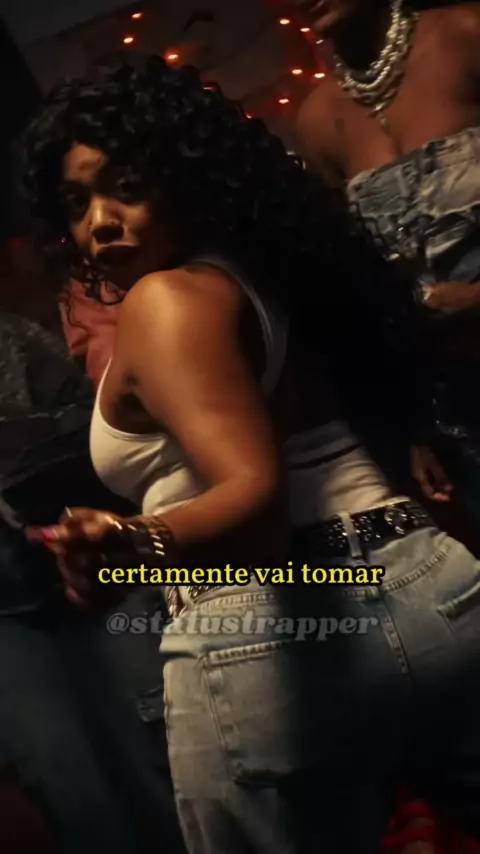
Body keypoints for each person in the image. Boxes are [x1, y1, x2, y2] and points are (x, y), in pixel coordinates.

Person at [22, 53, 480, 853]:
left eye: (126, 186)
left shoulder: (164, 300)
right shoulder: (282, 275)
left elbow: (256, 505)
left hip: (268, 625)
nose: (100, 221)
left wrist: (130, 543)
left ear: (186, 179)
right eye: (77, 202)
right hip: (431, 586)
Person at [0, 307, 185, 854]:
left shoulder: (10, 336)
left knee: (166, 743)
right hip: (8, 623)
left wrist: (15, 448)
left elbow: (91, 421)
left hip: (92, 561)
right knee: (66, 778)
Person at [294, 0, 480, 532]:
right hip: (455, 408)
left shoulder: (466, 34)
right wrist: (413, 428)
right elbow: (358, 286)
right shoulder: (318, 119)